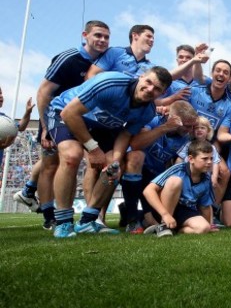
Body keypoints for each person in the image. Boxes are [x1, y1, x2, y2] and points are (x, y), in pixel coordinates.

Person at [46, 66, 171, 238]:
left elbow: (125, 134)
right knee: (71, 156)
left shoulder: (147, 111)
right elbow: (70, 113)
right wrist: (93, 148)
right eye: (149, 82)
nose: (150, 89)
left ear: (162, 93)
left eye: (157, 89)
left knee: (113, 168)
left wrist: (117, 161)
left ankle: (88, 221)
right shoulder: (111, 83)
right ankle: (63, 222)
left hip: (102, 126)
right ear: (141, 76)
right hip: (66, 112)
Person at [13, 20, 111, 229]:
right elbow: (43, 92)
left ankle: (92, 218)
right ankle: (50, 216)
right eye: (98, 35)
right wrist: (45, 127)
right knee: (50, 164)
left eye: (106, 37)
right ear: (85, 35)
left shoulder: (105, 61)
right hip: (53, 115)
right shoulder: (68, 58)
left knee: (81, 160)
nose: (102, 40)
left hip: (82, 118)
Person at [120, 100, 198, 233]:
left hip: (156, 175)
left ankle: (134, 213)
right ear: (174, 119)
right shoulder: (154, 120)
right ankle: (132, 219)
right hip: (135, 169)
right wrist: (165, 128)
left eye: (192, 126)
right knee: (136, 157)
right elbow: (135, 144)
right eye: (186, 126)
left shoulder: (185, 138)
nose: (190, 130)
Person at [142, 140, 215, 237]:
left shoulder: (206, 179)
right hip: (163, 208)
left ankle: (172, 229)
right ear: (191, 159)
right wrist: (165, 215)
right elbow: (148, 190)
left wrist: (209, 226)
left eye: (211, 158)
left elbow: (204, 206)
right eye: (205, 159)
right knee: (175, 181)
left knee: (203, 228)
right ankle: (164, 225)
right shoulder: (178, 169)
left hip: (185, 210)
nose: (209, 162)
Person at [86, 24, 156, 79]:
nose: (152, 40)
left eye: (153, 38)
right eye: (148, 36)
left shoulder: (151, 67)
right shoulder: (115, 52)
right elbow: (91, 75)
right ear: (135, 36)